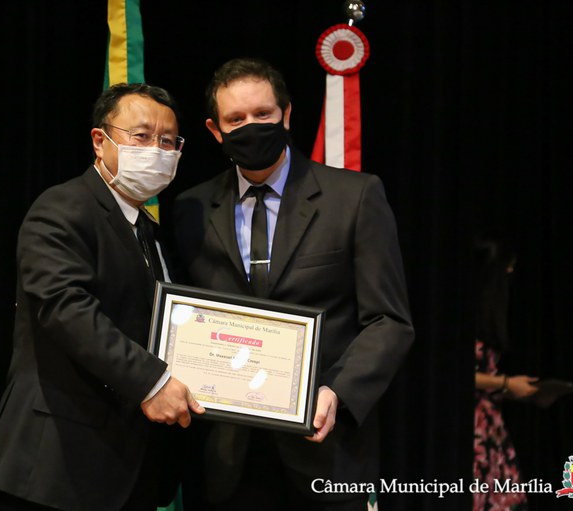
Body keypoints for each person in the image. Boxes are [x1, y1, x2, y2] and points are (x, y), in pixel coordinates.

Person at [172, 57, 415, 510]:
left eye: (262, 114)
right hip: (230, 456)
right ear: (214, 130)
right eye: (236, 119)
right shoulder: (190, 209)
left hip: (326, 446)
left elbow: (389, 320)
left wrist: (337, 391)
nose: (251, 126)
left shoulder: (354, 197)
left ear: (286, 114)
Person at [0, 83, 204, 511]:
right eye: (141, 136)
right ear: (100, 141)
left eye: (167, 141)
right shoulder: (63, 207)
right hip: (55, 468)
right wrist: (153, 381)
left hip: (128, 467)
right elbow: (65, 308)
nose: (156, 150)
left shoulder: (151, 232)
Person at [472, 234, 538, 511]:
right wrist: (506, 383)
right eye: (507, 267)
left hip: (491, 423)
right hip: (474, 428)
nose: (511, 274)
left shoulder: (488, 318)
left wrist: (511, 388)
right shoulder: (462, 317)